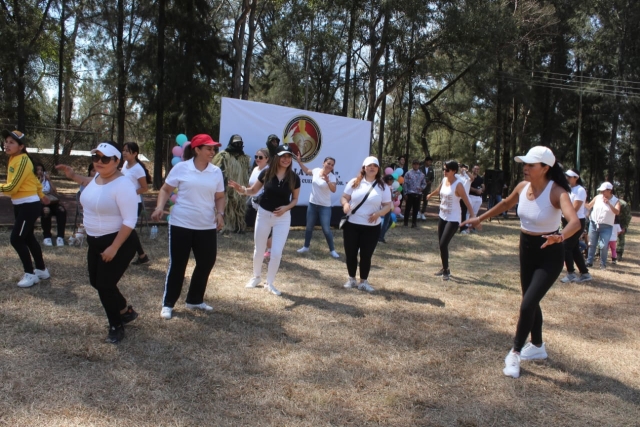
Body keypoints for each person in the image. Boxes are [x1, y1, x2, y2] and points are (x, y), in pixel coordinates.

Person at [462, 146, 580, 379]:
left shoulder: (557, 192)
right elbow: (506, 204)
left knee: (527, 304)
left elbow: (574, 221)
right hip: (526, 248)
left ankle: (515, 352)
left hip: (550, 251)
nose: (525, 168)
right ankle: (537, 346)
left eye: (531, 165)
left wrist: (561, 236)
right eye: (524, 164)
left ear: (545, 168)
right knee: (530, 300)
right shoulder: (522, 187)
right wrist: (478, 218)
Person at [56, 141, 140, 344]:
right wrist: (73, 176)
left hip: (118, 241)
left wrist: (114, 247)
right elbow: (90, 181)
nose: (98, 162)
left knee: (104, 284)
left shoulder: (123, 184)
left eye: (104, 158)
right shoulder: (97, 177)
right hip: (95, 241)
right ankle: (125, 310)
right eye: (96, 157)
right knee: (96, 282)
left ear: (116, 161)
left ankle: (116, 325)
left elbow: (130, 220)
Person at [151, 134, 225, 320]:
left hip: (206, 226)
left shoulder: (216, 172)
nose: (212, 151)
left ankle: (194, 299)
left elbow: (220, 197)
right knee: (178, 264)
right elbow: (166, 189)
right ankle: (168, 304)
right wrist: (160, 206)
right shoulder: (181, 168)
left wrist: (220, 213)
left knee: (206, 262)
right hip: (181, 224)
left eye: (213, 148)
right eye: (208, 148)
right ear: (197, 149)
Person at [228, 144, 300, 296]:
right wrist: (240, 189)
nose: (286, 159)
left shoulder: (294, 178)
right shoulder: (266, 173)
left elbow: (295, 200)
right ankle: (256, 277)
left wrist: (286, 208)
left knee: (276, 252)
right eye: (283, 156)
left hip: (283, 218)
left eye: (288, 157)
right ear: (277, 158)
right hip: (264, 214)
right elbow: (253, 190)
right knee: (259, 249)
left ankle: (270, 282)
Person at [1, 130, 51, 287]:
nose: (7, 144)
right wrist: (42, 194)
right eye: (6, 141)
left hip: (28, 205)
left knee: (16, 239)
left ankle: (30, 274)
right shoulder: (14, 158)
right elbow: (34, 180)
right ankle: (41, 270)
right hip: (22, 204)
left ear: (21, 146)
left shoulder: (22, 160)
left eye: (11, 142)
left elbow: (12, 188)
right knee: (28, 237)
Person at [340, 156, 392, 292]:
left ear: (378, 169)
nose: (372, 168)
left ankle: (363, 281)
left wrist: (379, 214)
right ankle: (351, 279)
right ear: (364, 167)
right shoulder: (354, 182)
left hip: (372, 227)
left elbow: (388, 205)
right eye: (369, 165)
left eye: (375, 166)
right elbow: (344, 197)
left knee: (366, 254)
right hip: (352, 224)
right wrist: (345, 204)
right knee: (350, 253)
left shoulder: (383, 186)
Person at [426, 160, 476, 281]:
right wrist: (430, 195)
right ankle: (444, 268)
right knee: (441, 244)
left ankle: (446, 271)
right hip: (442, 215)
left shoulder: (458, 184)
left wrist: (473, 216)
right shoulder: (444, 180)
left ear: (454, 171)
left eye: (447, 170)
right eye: (444, 169)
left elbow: (466, 200)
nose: (444, 171)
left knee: (443, 243)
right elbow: (438, 189)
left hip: (453, 218)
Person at [296, 154, 339, 257]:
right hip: (312, 204)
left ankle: (332, 250)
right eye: (328, 163)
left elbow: (333, 190)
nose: (330, 166)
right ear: (323, 163)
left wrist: (327, 180)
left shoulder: (332, 177)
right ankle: (306, 247)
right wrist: (299, 162)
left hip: (325, 206)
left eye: (332, 165)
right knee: (309, 227)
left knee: (326, 229)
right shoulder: (316, 171)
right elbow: (307, 171)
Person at [213, 134, 250, 233]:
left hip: (239, 188)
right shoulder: (223, 156)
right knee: (226, 207)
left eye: (239, 143)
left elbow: (247, 172)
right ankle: (224, 227)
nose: (237, 145)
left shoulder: (245, 158)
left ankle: (238, 227)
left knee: (239, 207)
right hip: (227, 187)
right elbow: (218, 170)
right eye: (235, 143)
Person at [559, 169, 591, 283]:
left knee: (566, 246)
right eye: (566, 176)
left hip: (576, 221)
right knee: (574, 248)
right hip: (567, 220)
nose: (567, 178)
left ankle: (571, 273)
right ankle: (585, 273)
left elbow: (575, 208)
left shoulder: (580, 190)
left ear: (576, 178)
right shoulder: (567, 189)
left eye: (569, 176)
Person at [121, 142, 151, 265]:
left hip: (133, 203)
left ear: (135, 154)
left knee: (127, 229)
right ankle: (142, 255)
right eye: (123, 150)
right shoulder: (125, 164)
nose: (124, 153)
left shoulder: (138, 169)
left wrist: (131, 194)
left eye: (127, 151)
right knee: (125, 229)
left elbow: (144, 187)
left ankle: (140, 255)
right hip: (122, 202)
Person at [584, 182, 620, 270]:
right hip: (594, 223)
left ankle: (603, 264)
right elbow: (589, 206)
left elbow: (617, 212)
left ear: (609, 190)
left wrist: (609, 204)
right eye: (601, 191)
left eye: (604, 191)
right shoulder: (598, 197)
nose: (602, 193)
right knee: (592, 243)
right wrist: (582, 201)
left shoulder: (615, 200)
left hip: (607, 226)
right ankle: (589, 261)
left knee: (603, 245)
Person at [35, 163, 67, 247]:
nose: (40, 172)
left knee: (61, 210)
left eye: (41, 170)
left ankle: (60, 237)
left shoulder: (47, 179)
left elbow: (55, 191)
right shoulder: (33, 179)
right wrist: (39, 181)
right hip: (39, 202)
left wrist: (49, 180)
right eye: (38, 170)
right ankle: (47, 236)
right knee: (46, 211)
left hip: (50, 200)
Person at [245, 148, 270, 227]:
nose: (257, 159)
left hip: (264, 204)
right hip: (253, 203)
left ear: (267, 159)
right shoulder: (255, 169)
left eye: (260, 157)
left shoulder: (269, 171)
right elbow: (250, 185)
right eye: (256, 157)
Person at [402, 159, 426, 228]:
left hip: (418, 194)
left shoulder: (421, 174)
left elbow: (424, 183)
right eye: (414, 164)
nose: (415, 165)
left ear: (419, 165)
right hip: (409, 193)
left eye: (417, 164)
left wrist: (421, 188)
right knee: (408, 208)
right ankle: (405, 222)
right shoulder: (408, 173)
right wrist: (405, 193)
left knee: (416, 209)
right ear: (412, 165)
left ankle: (414, 223)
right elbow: (405, 184)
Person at [462, 165, 484, 233]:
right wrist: (475, 190)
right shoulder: (469, 177)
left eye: (478, 169)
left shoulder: (480, 178)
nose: (476, 170)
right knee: (468, 212)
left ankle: (472, 227)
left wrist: (481, 190)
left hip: (479, 198)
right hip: (471, 196)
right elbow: (468, 186)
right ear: (472, 169)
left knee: (474, 213)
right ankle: (466, 227)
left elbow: (483, 186)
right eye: (475, 169)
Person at [378, 174, 398, 243]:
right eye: (391, 181)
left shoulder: (386, 186)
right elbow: (389, 198)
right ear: (388, 180)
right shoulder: (387, 188)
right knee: (386, 222)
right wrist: (395, 196)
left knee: (389, 221)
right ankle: (380, 237)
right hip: (386, 207)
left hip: (386, 206)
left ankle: (380, 235)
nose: (392, 182)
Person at [615, 197, 631, 261]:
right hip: (610, 220)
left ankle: (619, 253)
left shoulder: (624, 205)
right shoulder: (607, 201)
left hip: (621, 221)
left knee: (621, 235)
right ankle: (598, 252)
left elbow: (627, 217)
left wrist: (624, 227)